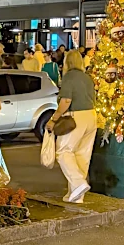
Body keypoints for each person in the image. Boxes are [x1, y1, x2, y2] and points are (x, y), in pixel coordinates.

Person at [46, 49, 96, 204]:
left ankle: (78, 183)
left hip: (76, 117)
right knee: (82, 155)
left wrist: (54, 119)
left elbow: (66, 101)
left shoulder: (69, 77)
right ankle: (76, 195)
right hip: (92, 116)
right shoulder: (87, 77)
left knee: (63, 151)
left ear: (67, 62)